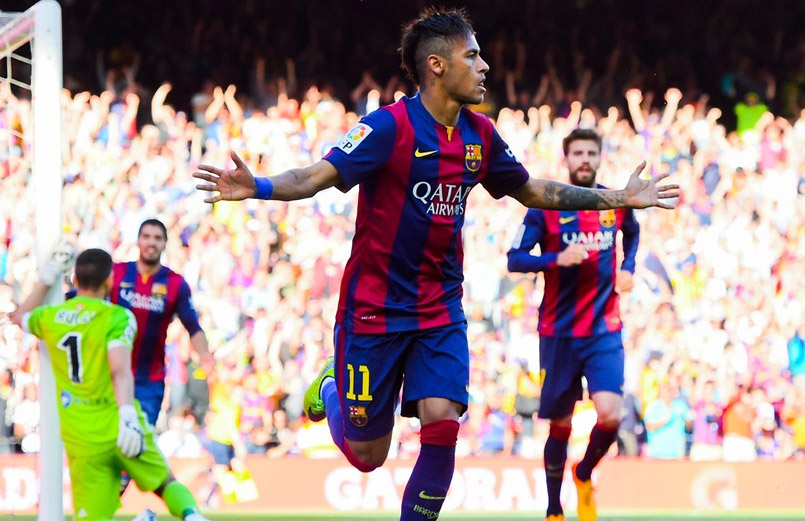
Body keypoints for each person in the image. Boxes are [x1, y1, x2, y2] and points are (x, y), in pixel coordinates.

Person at [193, 8, 678, 520]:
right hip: (374, 308)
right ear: (437, 65)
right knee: (367, 456)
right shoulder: (387, 127)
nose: (485, 66)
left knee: (443, 423)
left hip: (440, 308)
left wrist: (619, 197)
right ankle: (332, 387)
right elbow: (316, 176)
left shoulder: (480, 135)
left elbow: (533, 190)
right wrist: (258, 186)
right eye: (473, 56)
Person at [8, 246, 209, 521]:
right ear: (109, 280)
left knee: (94, 517)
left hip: (81, 433)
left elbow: (19, 316)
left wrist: (47, 277)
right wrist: (127, 415)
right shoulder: (117, 317)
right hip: (118, 421)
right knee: (164, 482)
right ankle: (191, 515)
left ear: (76, 279)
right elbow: (120, 370)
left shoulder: (51, 317)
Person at [507, 128, 641, 521]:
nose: (585, 159)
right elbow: (515, 258)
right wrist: (554, 260)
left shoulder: (615, 202)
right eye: (578, 153)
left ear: (599, 158)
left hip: (604, 329)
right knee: (560, 425)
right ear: (566, 159)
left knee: (612, 415)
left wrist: (628, 267)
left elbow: (632, 233)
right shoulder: (544, 206)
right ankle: (554, 509)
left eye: (591, 153)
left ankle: (583, 473)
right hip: (558, 332)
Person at [111, 218, 212, 427]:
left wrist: (205, 356)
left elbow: (192, 325)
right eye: (146, 237)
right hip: (111, 375)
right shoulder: (116, 273)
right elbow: (85, 295)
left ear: (165, 243)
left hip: (149, 382)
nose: (151, 242)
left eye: (157, 238)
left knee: (141, 438)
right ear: (138, 241)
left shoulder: (175, 283)